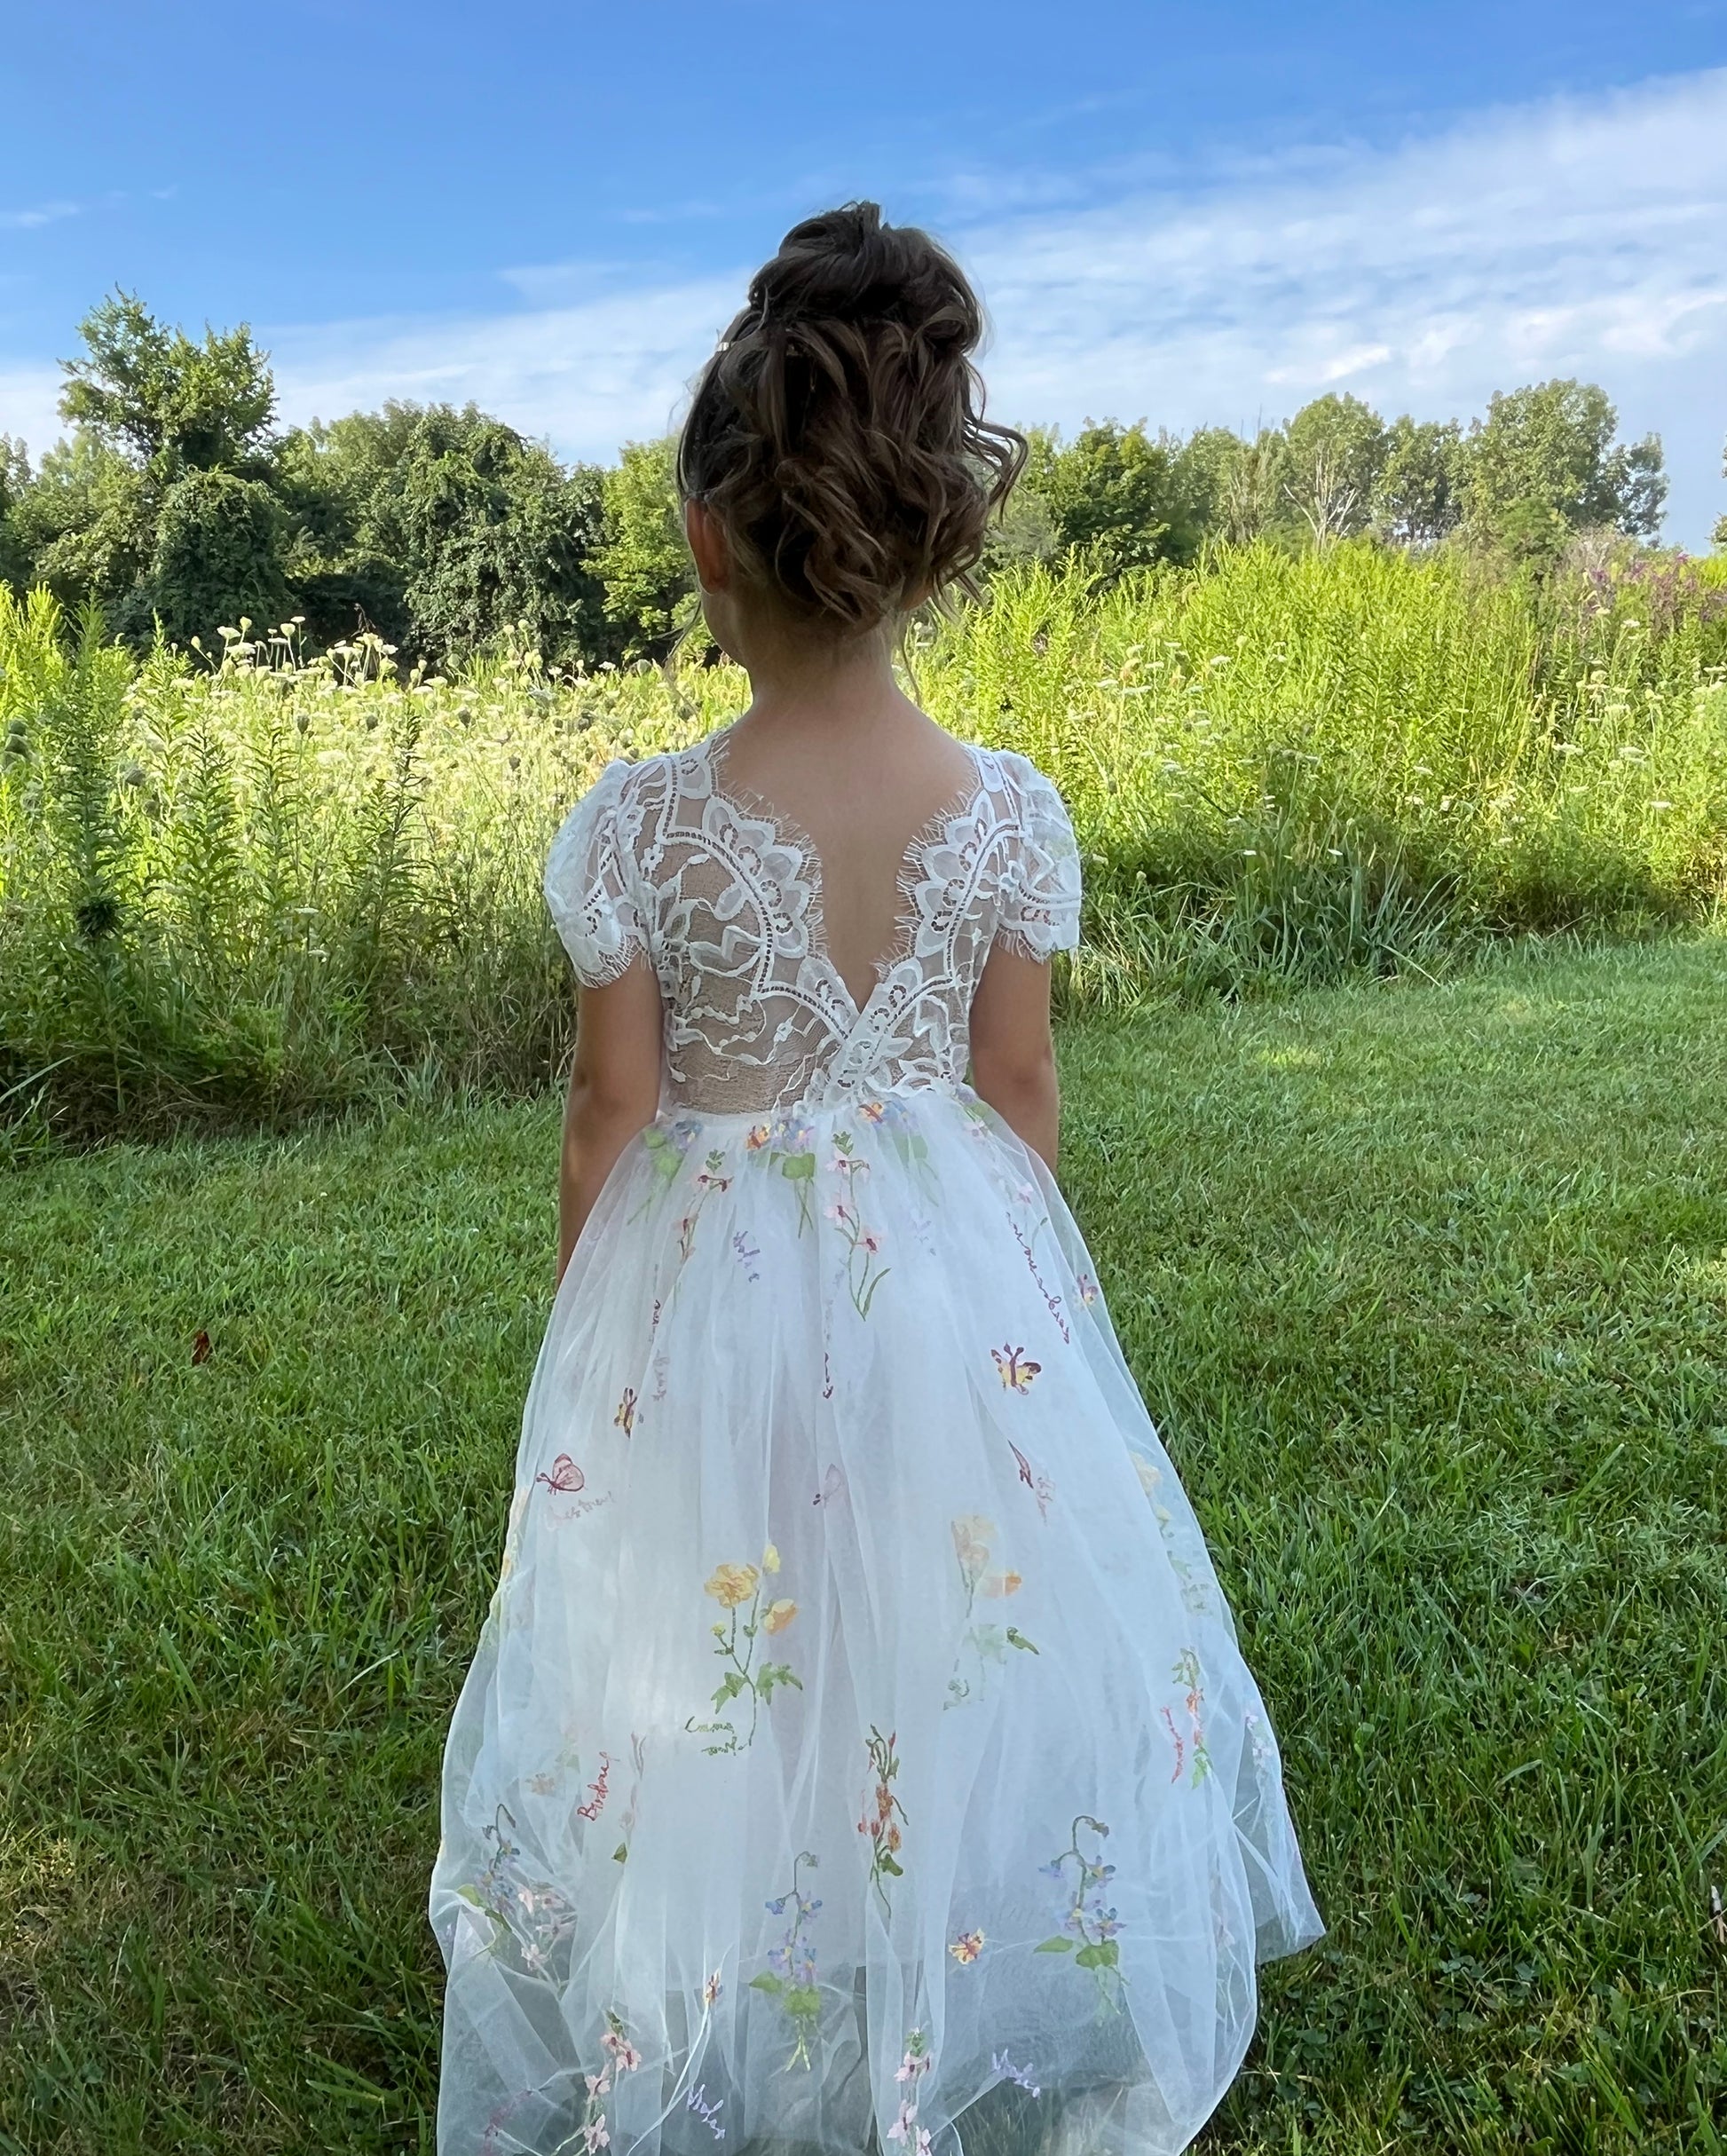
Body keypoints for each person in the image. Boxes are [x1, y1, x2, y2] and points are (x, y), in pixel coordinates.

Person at [430, 201, 1321, 2156]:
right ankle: (940, 1925)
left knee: (728, 1617)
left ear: (702, 537)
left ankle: (745, 1946)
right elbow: (1015, 1088)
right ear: (933, 544)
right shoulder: (1005, 810)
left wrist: (599, 1329)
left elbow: (609, 1112)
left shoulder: (643, 823)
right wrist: (1020, 1312)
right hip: (951, 1279)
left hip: (707, 1283)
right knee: (940, 1604)